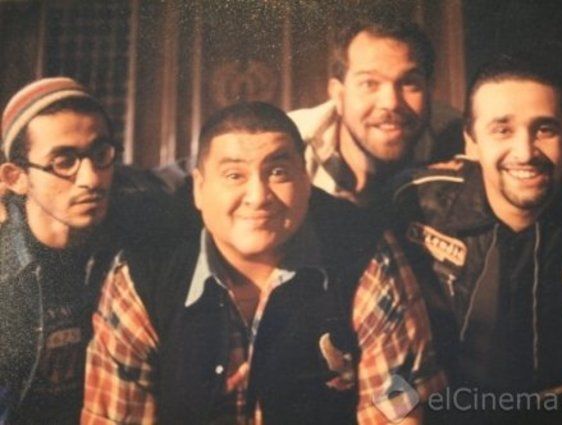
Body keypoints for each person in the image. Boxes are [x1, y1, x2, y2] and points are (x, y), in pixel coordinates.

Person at [82, 102, 445, 425]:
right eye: (234, 175)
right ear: (199, 189)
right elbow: (114, 416)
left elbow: (397, 412)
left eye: (278, 172)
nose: (258, 197)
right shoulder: (144, 269)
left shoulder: (365, 252)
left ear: (305, 180)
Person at [391, 55, 562, 424]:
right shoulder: (412, 201)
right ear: (471, 142)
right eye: (502, 130)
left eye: (545, 129)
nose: (525, 152)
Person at [0, 78, 121, 424]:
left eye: (100, 154)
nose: (91, 179)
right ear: (16, 178)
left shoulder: (129, 233)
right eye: (63, 161)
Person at [289, 17, 462, 207]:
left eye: (409, 83)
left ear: (430, 89)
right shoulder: (288, 142)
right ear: (338, 95)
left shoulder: (462, 141)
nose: (391, 103)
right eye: (369, 83)